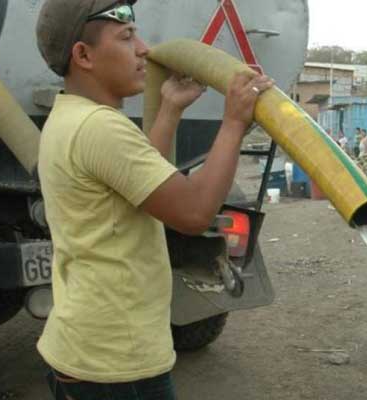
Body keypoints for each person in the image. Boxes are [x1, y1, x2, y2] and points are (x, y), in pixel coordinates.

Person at [34, 1, 273, 398]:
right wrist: (233, 122)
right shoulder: (101, 127)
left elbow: (137, 184)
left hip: (88, 353)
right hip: (115, 367)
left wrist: (170, 110)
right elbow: (194, 214)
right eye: (127, 37)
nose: (143, 48)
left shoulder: (69, 117)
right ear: (83, 55)